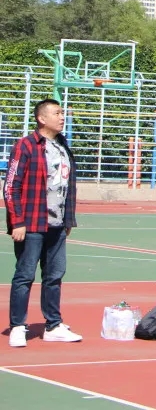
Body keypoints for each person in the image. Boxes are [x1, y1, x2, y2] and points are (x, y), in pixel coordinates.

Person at [5, 98, 82, 347]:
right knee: (25, 275)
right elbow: (11, 186)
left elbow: (66, 185)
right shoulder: (26, 145)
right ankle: (18, 326)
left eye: (62, 113)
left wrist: (68, 219)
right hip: (31, 223)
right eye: (56, 113)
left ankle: (53, 325)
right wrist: (17, 221)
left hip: (57, 224)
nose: (62, 117)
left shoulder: (62, 145)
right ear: (41, 118)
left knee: (54, 275)